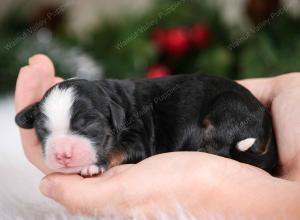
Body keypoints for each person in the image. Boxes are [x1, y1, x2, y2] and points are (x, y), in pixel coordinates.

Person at [15, 54, 300, 219]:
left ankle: (237, 153)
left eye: (84, 126)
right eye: (46, 130)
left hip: (224, 106)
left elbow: (133, 146)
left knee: (227, 115)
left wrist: (106, 160)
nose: (62, 149)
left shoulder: (130, 113)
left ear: (113, 115)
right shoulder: (114, 105)